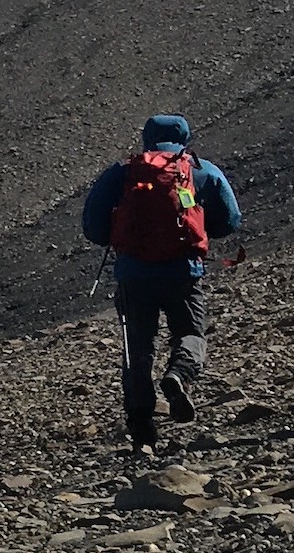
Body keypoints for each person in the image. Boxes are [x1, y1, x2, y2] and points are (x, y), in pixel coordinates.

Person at [82, 114, 242, 454]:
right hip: (183, 273)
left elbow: (93, 228)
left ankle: (143, 433)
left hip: (133, 276)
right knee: (191, 334)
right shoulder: (201, 171)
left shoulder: (122, 172)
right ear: (185, 136)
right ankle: (179, 375)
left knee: (137, 350)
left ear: (146, 138)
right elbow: (230, 220)